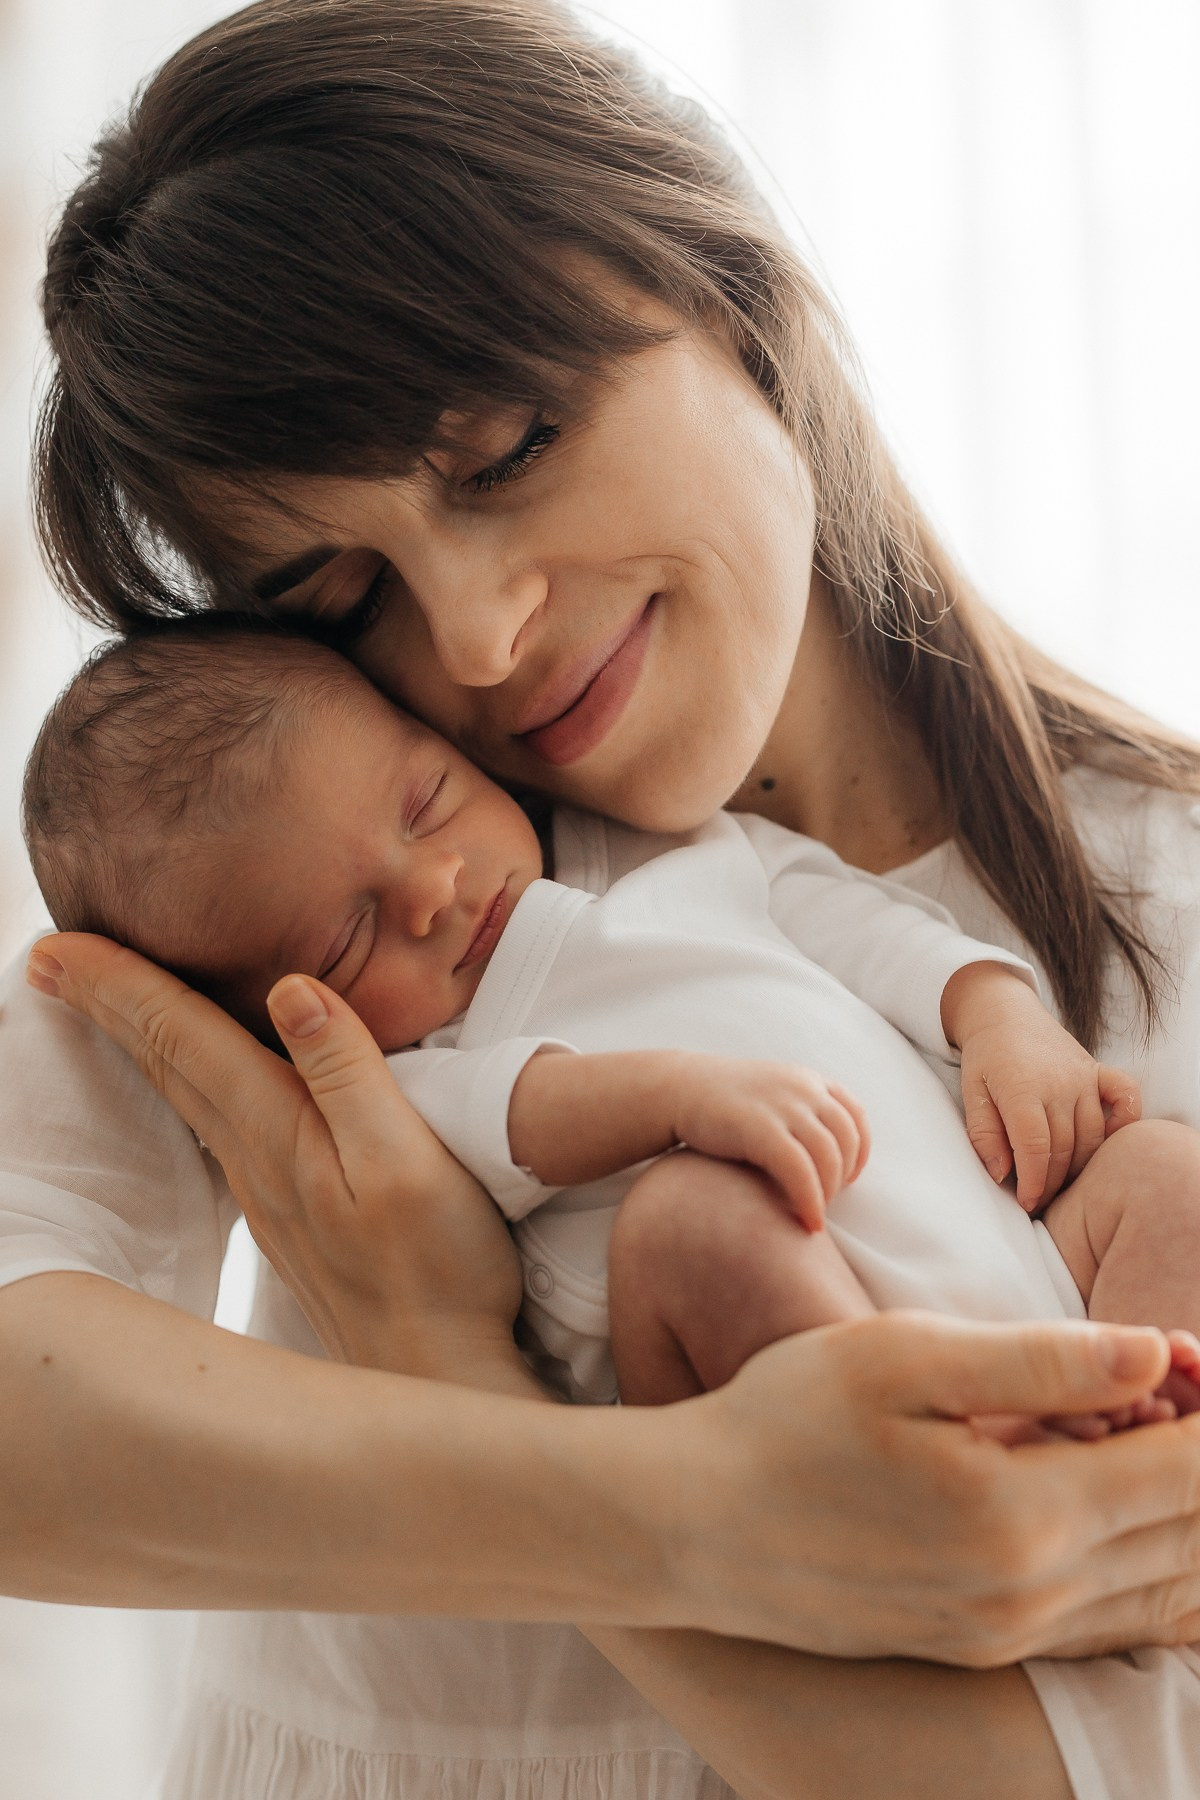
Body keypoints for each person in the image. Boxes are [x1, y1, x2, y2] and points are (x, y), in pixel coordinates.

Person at [4, 0, 1200, 1795]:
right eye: (343, 597)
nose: (472, 640)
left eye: (505, 453)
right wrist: (683, 1509)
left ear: (727, 283)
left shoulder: (1157, 897)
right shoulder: (312, 888)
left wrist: (438, 1356)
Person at [24, 619, 1200, 1433]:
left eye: (427, 802)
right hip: (827, 1368)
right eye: (346, 940)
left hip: (1025, 1260)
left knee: (1159, 1170)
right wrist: (679, 1098)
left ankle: (1157, 1460)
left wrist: (999, 1018)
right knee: (689, 1221)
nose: (432, 889)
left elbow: (862, 926)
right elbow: (521, 1115)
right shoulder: (409, 1081)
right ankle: (938, 1470)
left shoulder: (676, 852)